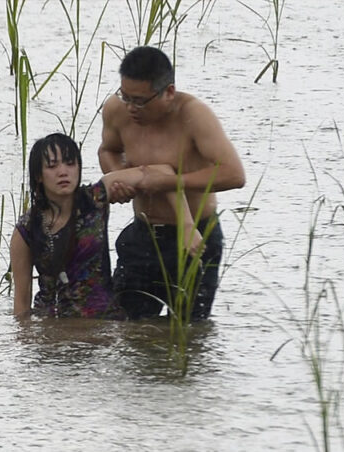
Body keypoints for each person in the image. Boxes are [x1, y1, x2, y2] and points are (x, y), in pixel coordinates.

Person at [99, 46, 246, 320]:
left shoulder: (195, 116)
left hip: (194, 237)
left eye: (140, 101)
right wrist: (120, 178)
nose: (131, 107)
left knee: (188, 336)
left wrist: (171, 181)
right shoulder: (117, 110)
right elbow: (108, 149)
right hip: (142, 236)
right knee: (130, 332)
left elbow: (234, 174)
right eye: (125, 96)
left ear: (168, 92)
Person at [11, 133, 202, 319]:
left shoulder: (95, 199)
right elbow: (21, 303)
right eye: (52, 166)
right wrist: (28, 341)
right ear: (38, 176)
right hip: (51, 329)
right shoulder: (27, 228)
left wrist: (187, 226)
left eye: (70, 164)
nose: (63, 172)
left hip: (102, 322)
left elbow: (163, 173)